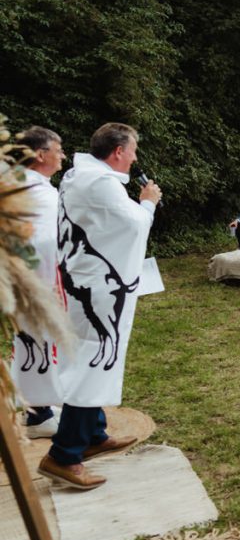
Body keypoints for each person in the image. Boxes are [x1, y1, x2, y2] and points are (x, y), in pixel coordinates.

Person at [39, 123, 161, 490]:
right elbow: (134, 226)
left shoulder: (79, 175)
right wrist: (148, 201)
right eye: (134, 150)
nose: (136, 157)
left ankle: (93, 434)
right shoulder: (102, 184)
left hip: (84, 281)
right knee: (94, 362)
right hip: (97, 290)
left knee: (95, 357)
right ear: (119, 151)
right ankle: (64, 455)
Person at [12, 127, 65, 439]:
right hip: (37, 279)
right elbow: (44, 240)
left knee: (34, 343)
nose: (62, 155)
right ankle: (38, 417)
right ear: (40, 155)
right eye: (57, 150)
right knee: (37, 341)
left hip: (27, 277)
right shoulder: (36, 191)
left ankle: (38, 407)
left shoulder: (25, 185)